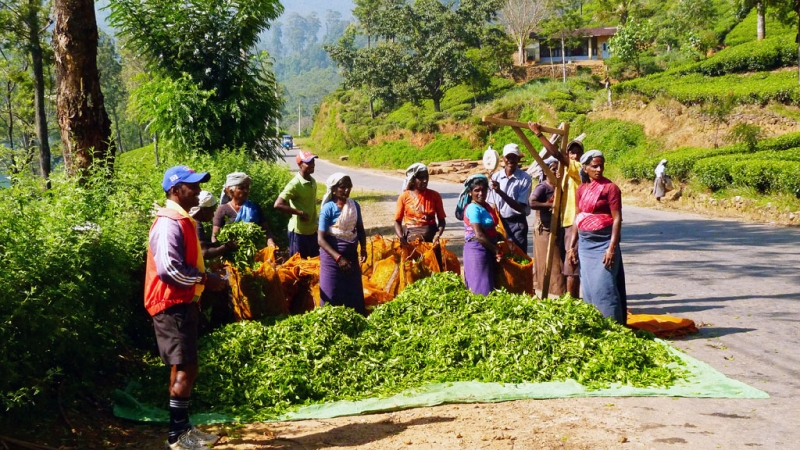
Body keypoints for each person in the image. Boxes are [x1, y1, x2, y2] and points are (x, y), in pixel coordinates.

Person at [145, 165, 227, 449]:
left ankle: (182, 429)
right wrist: (206, 279)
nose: (198, 191)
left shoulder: (182, 219)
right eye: (192, 186)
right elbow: (169, 270)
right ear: (175, 190)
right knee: (186, 369)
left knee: (183, 367)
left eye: (198, 185)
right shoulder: (169, 222)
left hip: (181, 302)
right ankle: (177, 437)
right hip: (171, 303)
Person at [529, 122, 584, 298]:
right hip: (564, 222)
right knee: (568, 263)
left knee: (571, 264)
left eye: (578, 153)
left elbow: (556, 154)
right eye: (572, 153)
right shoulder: (565, 171)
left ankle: (572, 301)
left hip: (574, 222)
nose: (575, 156)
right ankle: (569, 297)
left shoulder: (580, 169)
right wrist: (557, 178)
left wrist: (539, 134)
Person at [572, 150, 627, 324]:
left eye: (601, 166)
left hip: (604, 243)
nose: (599, 169)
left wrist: (611, 248)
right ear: (585, 168)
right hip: (585, 244)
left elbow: (617, 219)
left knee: (605, 286)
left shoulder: (610, 188)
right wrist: (572, 246)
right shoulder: (581, 189)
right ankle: (594, 323)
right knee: (589, 286)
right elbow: (577, 217)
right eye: (594, 166)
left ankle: (613, 326)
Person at [317, 173, 368, 315]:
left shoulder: (354, 206)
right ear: (333, 190)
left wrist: (363, 248)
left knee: (354, 295)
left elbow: (360, 229)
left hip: (351, 257)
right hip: (332, 260)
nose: (347, 190)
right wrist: (339, 258)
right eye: (343, 187)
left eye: (349, 187)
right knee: (331, 295)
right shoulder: (328, 208)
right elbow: (320, 239)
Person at [189, 191, 237, 331]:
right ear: (203, 210)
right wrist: (226, 247)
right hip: (192, 276)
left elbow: (203, 245)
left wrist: (218, 245)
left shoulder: (195, 222)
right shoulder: (196, 224)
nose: (213, 214)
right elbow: (204, 253)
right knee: (218, 293)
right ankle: (215, 327)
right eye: (212, 210)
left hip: (192, 274)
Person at [457, 174, 503, 296]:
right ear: (470, 192)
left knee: (490, 286)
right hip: (477, 251)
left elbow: (489, 228)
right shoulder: (473, 208)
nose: (481, 193)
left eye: (483, 190)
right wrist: (496, 250)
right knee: (481, 289)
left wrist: (500, 237)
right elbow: (479, 235)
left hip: (487, 248)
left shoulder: (486, 207)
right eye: (476, 190)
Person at [529, 157, 567, 297]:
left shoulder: (560, 187)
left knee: (560, 261)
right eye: (553, 169)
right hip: (544, 230)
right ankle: (550, 293)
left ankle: (559, 293)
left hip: (558, 228)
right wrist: (551, 205)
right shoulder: (542, 187)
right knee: (550, 262)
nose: (556, 172)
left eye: (558, 169)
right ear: (545, 171)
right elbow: (532, 203)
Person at [274, 150, 320, 258]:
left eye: (313, 162)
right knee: (298, 265)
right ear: (300, 165)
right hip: (299, 233)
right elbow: (278, 204)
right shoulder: (294, 184)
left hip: (312, 231)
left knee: (314, 264)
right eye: (308, 162)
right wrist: (299, 213)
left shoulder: (312, 181)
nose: (312, 165)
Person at [488, 144, 532, 253]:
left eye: (514, 157)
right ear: (503, 159)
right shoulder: (496, 177)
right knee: (501, 255)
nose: (510, 160)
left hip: (517, 224)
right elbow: (490, 202)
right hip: (499, 223)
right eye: (508, 157)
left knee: (518, 256)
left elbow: (520, 207)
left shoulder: (525, 178)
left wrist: (500, 192)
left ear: (518, 159)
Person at [212, 172, 276, 247]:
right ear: (231, 191)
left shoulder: (254, 207)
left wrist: (270, 242)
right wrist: (220, 250)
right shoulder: (222, 210)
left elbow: (267, 231)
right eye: (241, 188)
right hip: (230, 251)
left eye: (247, 187)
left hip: (254, 250)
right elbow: (215, 236)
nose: (246, 191)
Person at [394, 163, 446, 245]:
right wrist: (401, 238)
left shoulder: (435, 196)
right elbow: (397, 221)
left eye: (426, 177)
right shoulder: (404, 196)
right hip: (411, 243)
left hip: (431, 242)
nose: (425, 180)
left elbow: (442, 221)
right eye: (421, 178)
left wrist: (437, 235)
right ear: (413, 179)